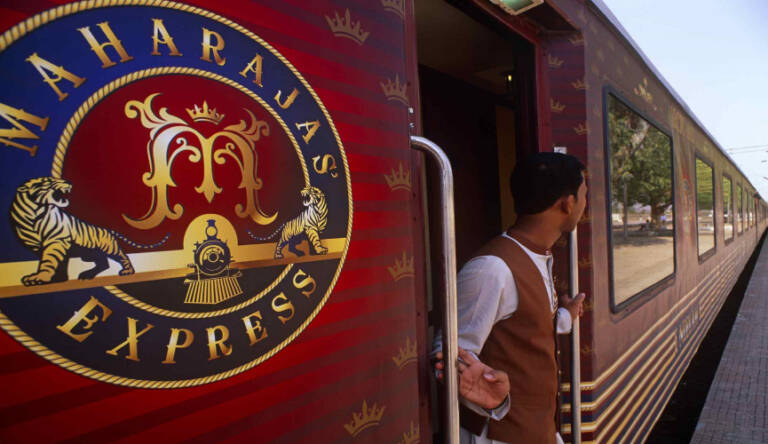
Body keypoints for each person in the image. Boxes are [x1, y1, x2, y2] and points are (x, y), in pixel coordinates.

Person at [434, 152, 587, 444]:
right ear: (567, 204)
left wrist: (565, 316)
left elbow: (526, 328)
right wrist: (482, 390)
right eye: (583, 195)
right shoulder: (493, 269)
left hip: (537, 431)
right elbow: (448, 352)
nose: (584, 205)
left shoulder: (535, 256)